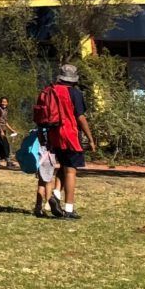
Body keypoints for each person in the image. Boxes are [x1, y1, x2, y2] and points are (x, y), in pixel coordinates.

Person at [33, 63, 94, 220]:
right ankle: (69, 209)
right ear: (73, 79)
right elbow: (80, 117)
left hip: (54, 134)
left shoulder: (50, 90)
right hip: (71, 134)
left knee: (63, 168)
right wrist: (90, 137)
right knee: (71, 171)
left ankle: (54, 195)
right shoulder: (75, 93)